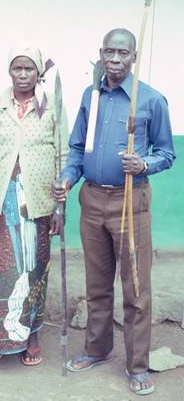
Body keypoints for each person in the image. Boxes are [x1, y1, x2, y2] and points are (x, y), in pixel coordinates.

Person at [52, 28, 175, 396]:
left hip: (130, 203)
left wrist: (143, 163)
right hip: (91, 200)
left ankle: (137, 367)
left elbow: (167, 154)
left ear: (133, 57)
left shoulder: (151, 101)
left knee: (136, 289)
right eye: (110, 52)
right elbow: (77, 148)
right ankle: (97, 349)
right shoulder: (91, 97)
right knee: (97, 284)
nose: (116, 59)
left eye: (123, 53)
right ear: (101, 54)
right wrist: (67, 178)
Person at [0, 43, 69, 366]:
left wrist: (59, 207)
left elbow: (63, 155)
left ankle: (32, 334)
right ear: (9, 71)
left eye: (29, 68)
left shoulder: (51, 107)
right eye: (17, 68)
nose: (23, 74)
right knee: (2, 269)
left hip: (40, 201)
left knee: (35, 268)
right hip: (3, 201)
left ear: (38, 72)